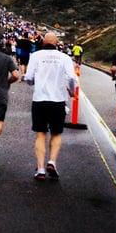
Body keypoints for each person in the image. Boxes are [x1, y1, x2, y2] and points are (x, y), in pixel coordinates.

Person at [25, 32, 77, 181]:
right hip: (58, 100)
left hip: (40, 100)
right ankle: (52, 162)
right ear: (57, 43)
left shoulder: (35, 56)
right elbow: (72, 78)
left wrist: (34, 82)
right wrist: (72, 92)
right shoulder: (65, 58)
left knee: (40, 134)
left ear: (43, 43)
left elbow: (28, 78)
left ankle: (40, 169)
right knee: (56, 133)